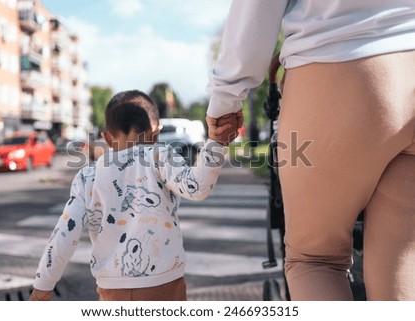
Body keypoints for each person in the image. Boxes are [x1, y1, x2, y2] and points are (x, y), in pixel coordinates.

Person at [206, 0, 415, 300]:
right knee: (404, 261)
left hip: (338, 60)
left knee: (315, 260)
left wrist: (224, 100)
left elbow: (255, 14)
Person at [29, 90, 240, 301]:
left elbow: (65, 233)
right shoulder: (160, 157)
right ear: (156, 133)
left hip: (111, 288)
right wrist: (216, 143)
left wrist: (43, 285)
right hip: (164, 283)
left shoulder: (88, 176)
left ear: (106, 138)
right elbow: (198, 187)